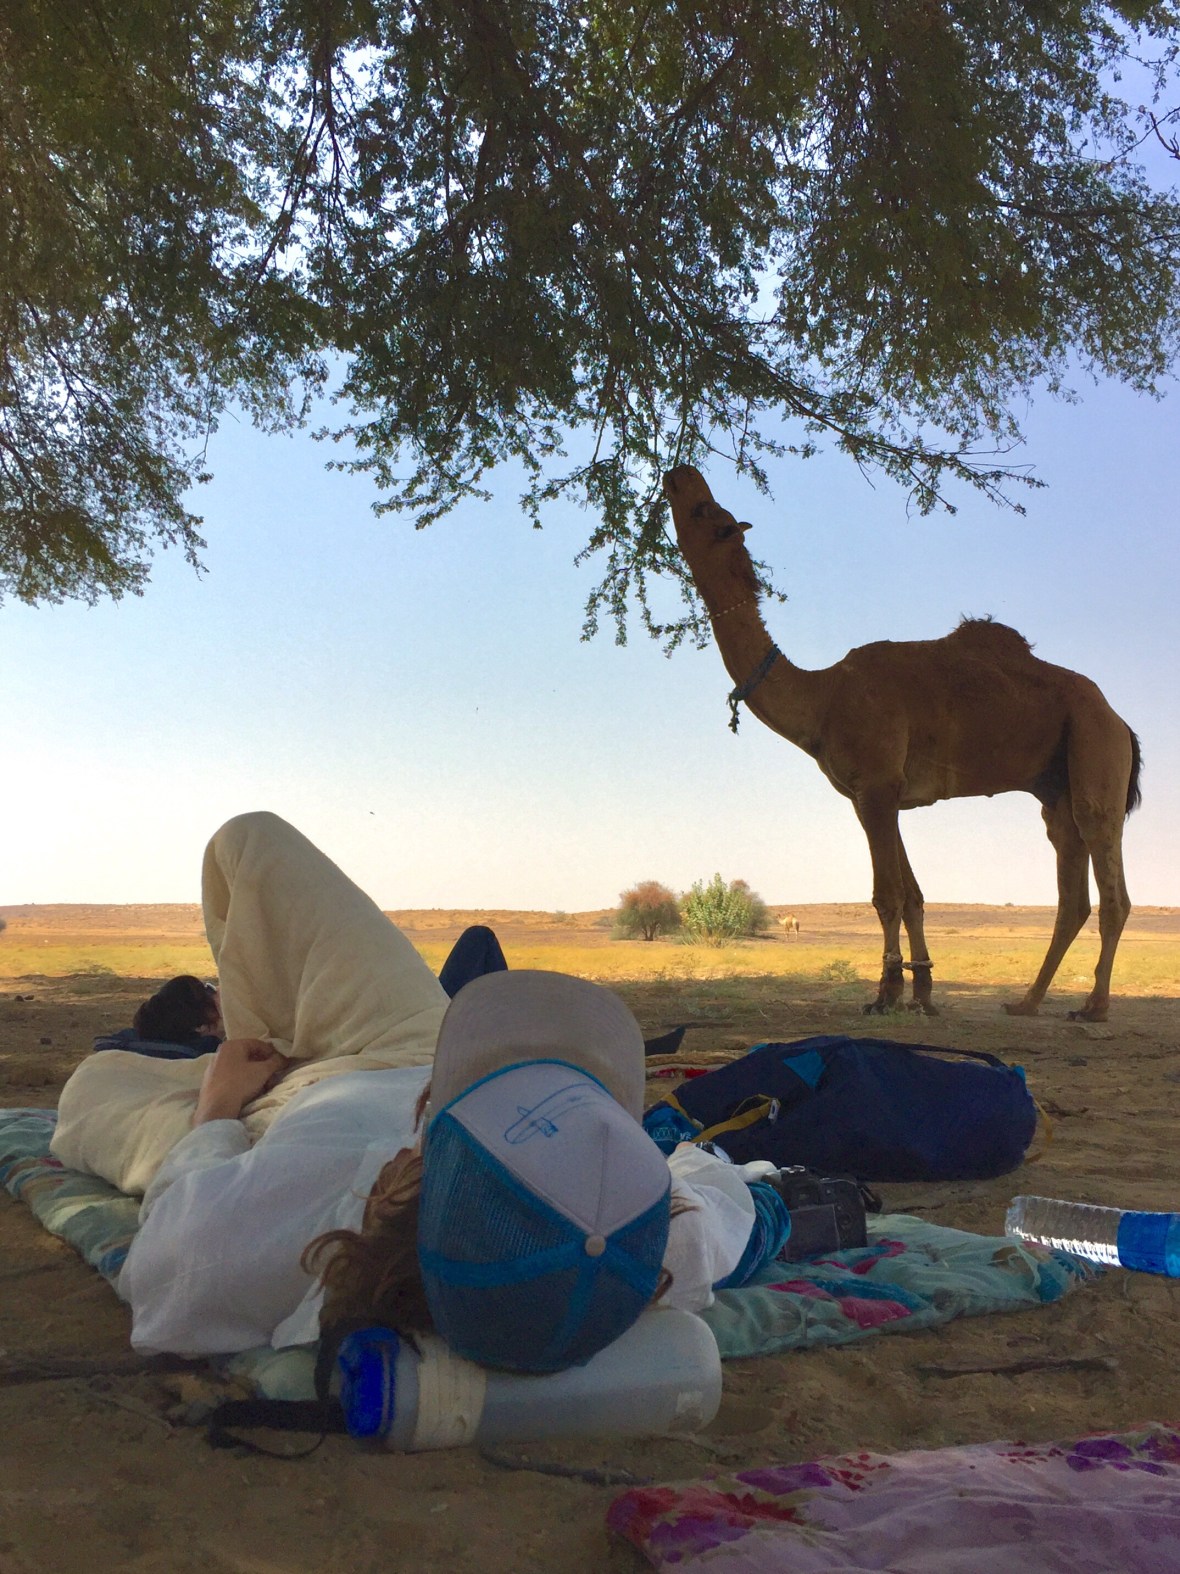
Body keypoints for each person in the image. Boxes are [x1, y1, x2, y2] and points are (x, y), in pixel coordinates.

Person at [54, 812, 791, 1374]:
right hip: (415, 1042)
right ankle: (235, 1036)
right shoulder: (637, 1248)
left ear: (414, 1160)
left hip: (294, 1100)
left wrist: (218, 1101)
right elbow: (736, 1204)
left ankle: (226, 1040)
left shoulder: (251, 1242)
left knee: (98, 1082)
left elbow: (164, 1270)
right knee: (250, 843)